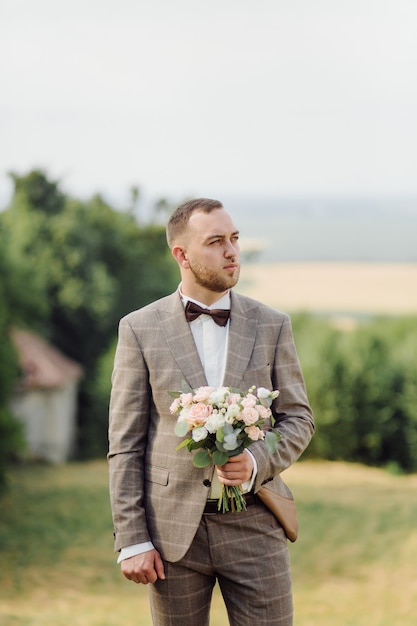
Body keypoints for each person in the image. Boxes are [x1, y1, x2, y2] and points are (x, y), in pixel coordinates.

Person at [108, 198, 314, 626]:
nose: (231, 251)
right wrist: (131, 539)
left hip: (256, 524)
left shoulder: (272, 324)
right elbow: (126, 444)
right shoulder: (139, 329)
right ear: (181, 255)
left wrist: (256, 461)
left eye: (235, 239)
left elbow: (299, 419)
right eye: (216, 241)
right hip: (170, 536)